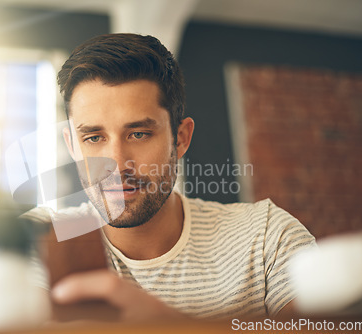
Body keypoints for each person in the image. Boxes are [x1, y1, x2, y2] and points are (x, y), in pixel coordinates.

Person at [30, 33, 316, 321]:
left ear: (180, 138)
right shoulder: (33, 245)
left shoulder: (267, 237)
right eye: (93, 138)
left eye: (139, 134)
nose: (116, 164)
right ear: (72, 146)